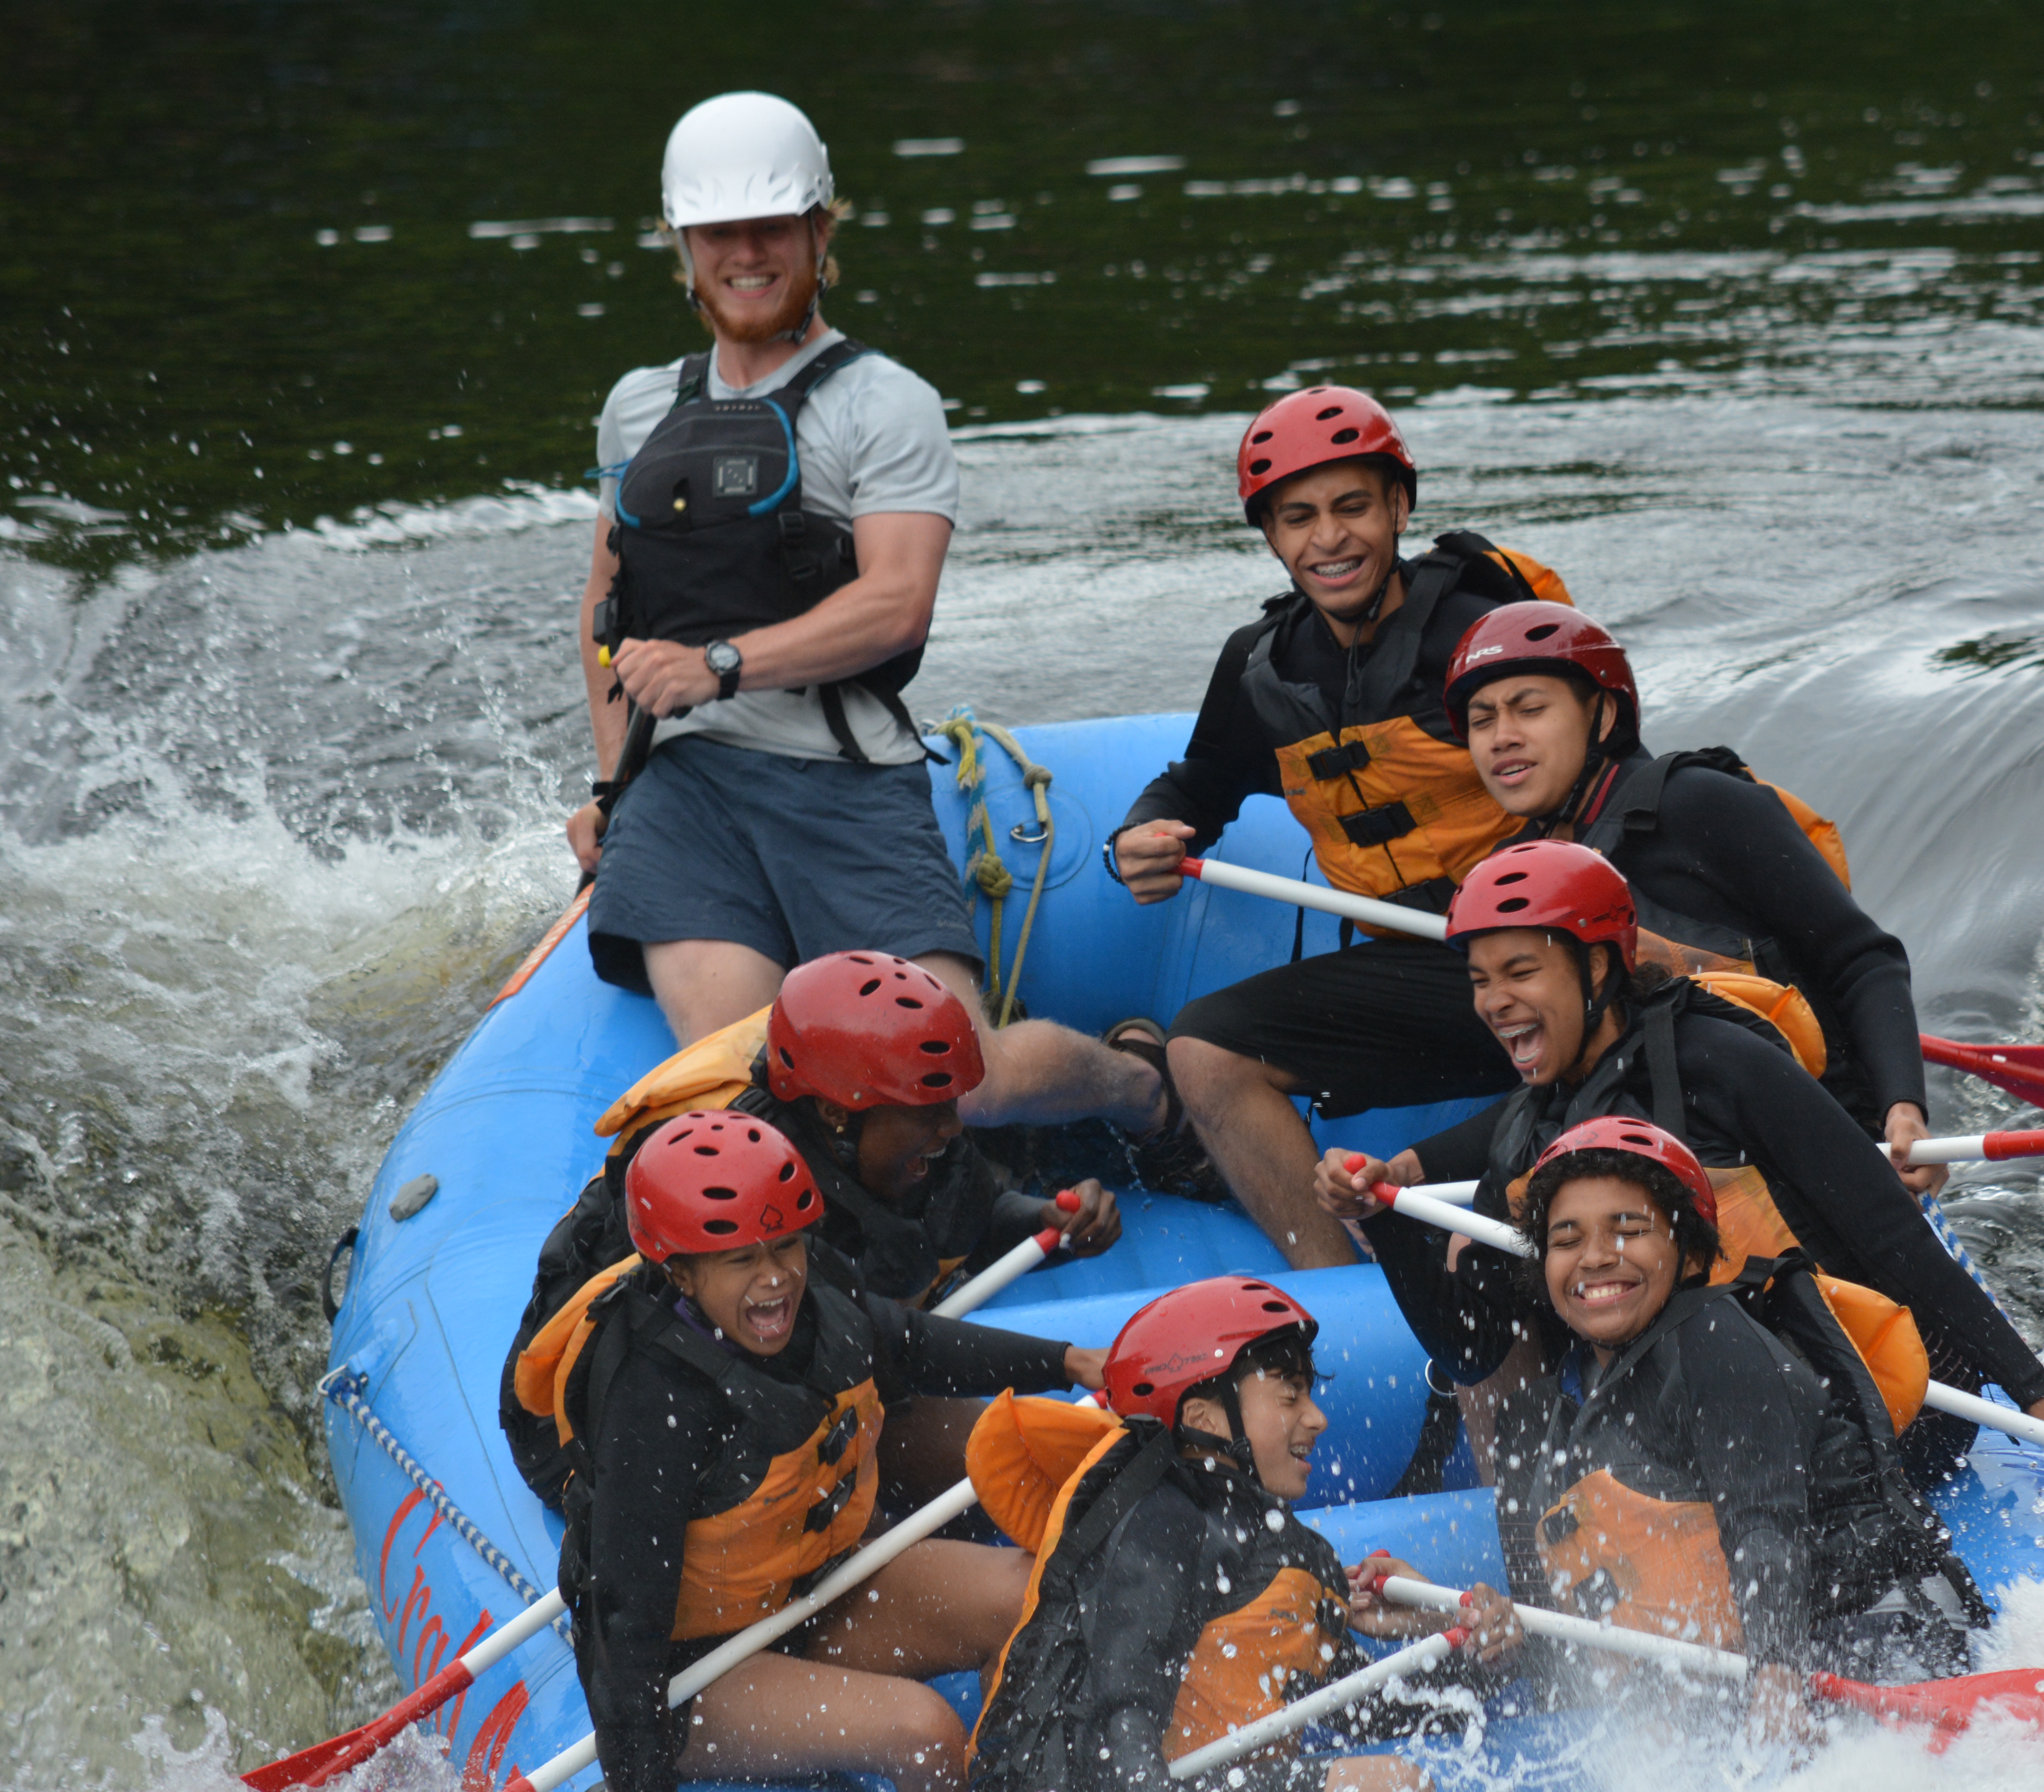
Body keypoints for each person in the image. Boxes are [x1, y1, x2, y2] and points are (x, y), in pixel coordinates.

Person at [563, 90, 1160, 1135]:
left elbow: (895, 602)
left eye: (771, 228)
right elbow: (607, 608)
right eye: (718, 234)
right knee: (754, 1088)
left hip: (842, 783)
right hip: (685, 799)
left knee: (951, 1081)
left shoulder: (885, 401)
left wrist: (723, 662)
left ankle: (1140, 1088)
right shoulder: (637, 406)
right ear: (682, 245)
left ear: (819, 233)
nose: (745, 254)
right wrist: (614, 788)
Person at [1315, 840, 2044, 1480]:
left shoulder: (1722, 1062)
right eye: (1482, 980)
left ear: (1598, 967)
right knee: (1476, 1253)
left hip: (1864, 1405)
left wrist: (2038, 1394)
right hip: (1699, 1431)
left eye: (1521, 972)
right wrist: (1384, 1225)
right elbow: (1473, 1349)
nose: (1493, 1002)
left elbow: (1889, 1231)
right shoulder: (1529, 1130)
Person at [512, 1110, 1109, 1792]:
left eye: (786, 1245)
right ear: (682, 1273)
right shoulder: (652, 1400)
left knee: (1036, 1598)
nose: (775, 1279)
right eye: (739, 1261)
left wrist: (1066, 1363)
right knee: (922, 1730)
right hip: (698, 1677)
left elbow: (910, 1343)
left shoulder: (816, 1290)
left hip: (815, 1593)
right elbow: (627, 1638)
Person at [1108, 387, 1566, 1265]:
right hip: (1417, 972)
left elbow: (1607, 779)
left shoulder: (1483, 636)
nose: (1329, 539)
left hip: (1546, 955)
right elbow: (1201, 782)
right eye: (1299, 518)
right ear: (1271, 535)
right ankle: (1341, 1288)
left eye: (1353, 506)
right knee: (1203, 1049)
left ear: (1399, 506)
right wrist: (1146, 829)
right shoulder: (1261, 666)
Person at [1393, 1116, 1987, 1725]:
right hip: (1747, 1665)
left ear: (1693, 1252)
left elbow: (1763, 1522)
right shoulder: (1535, 1426)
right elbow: (1563, 1658)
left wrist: (1777, 1673)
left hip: (1876, 1620)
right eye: (1567, 1240)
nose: (1596, 1257)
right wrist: (1476, 1626)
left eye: (1629, 1229)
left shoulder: (1714, 1338)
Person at [499, 951, 1122, 1512]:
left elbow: (954, 1228)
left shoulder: (894, 1133)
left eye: (951, 1105)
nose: (952, 1129)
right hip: (622, 1442)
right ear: (834, 1112)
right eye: (928, 1112)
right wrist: (1063, 1364)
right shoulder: (752, 1207)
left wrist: (1044, 1226)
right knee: (981, 1453)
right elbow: (887, 1342)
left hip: (796, 1351)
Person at [964, 1277, 1519, 1792]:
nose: (1318, 1418)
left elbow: (1375, 1712)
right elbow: (1120, 1709)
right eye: (1290, 1396)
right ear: (1204, 1413)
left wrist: (1466, 1646)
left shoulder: (1282, 1553)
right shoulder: (1161, 1518)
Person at [1441, 599, 1946, 1193]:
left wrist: (1904, 1110)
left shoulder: (1701, 804)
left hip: (1814, 1147)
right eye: (1482, 720)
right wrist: (1413, 1168)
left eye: (1529, 709)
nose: (1503, 737)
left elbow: (1862, 960)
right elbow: (1559, 1082)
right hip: (1671, 1172)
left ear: (1602, 716)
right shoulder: (1519, 876)